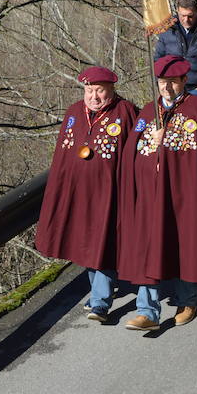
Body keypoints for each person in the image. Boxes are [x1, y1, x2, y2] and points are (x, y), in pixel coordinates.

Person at [117, 55, 197, 331]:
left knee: (183, 244)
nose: (167, 88)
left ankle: (187, 299)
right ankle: (147, 310)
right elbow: (133, 149)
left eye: (173, 83)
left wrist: (169, 140)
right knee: (148, 246)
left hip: (183, 193)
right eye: (162, 83)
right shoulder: (149, 110)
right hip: (150, 193)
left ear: (184, 81)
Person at [34, 66, 138, 323]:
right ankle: (98, 293)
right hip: (78, 195)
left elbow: (136, 152)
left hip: (109, 195)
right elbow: (62, 158)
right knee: (86, 245)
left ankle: (100, 303)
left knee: (102, 243)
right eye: (89, 91)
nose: (94, 97)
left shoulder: (125, 112)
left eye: (99, 91)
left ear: (111, 90)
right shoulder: (73, 113)